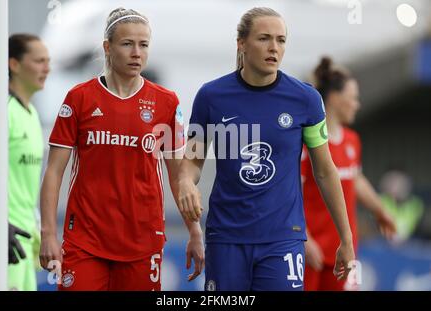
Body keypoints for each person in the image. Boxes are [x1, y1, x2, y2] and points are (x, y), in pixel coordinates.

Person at [176, 7, 355, 291]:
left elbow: (325, 171)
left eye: (281, 40)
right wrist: (185, 180)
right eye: (264, 39)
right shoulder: (211, 96)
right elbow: (193, 160)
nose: (274, 48)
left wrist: (346, 238)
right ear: (241, 43)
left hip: (283, 238)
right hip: (227, 237)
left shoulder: (306, 99)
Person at [39, 8, 204, 291]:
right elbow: (54, 172)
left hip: (142, 242)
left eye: (144, 45)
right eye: (127, 44)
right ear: (108, 47)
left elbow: (179, 177)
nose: (137, 52)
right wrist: (47, 233)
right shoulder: (80, 98)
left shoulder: (165, 102)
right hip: (85, 241)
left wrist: (194, 231)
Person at [301, 57, 397, 291]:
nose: (357, 104)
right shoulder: (306, 144)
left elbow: (355, 179)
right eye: (353, 98)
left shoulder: (352, 140)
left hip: (343, 252)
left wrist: (380, 210)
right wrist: (303, 237)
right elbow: (289, 192)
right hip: (309, 250)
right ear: (334, 98)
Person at [8, 33, 50, 290]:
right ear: (14, 64)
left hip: (24, 239)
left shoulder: (33, 113)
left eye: (48, 61)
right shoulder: (0, 110)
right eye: (39, 61)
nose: (47, 68)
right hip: (3, 241)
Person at [379, 169, 423, 242]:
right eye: (391, 182)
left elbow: (422, 230)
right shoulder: (381, 200)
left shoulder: (416, 204)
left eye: (398, 182)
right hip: (383, 245)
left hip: (410, 245)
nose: (394, 186)